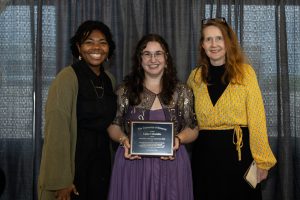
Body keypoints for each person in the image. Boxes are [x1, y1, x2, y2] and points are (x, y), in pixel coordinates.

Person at [187, 17, 277, 200]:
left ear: (228, 43)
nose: (214, 44)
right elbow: (187, 118)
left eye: (219, 38)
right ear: (202, 45)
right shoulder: (195, 77)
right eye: (208, 39)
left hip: (238, 155)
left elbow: (257, 118)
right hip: (204, 157)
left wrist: (262, 160)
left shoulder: (245, 73)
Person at [107, 33, 198, 200]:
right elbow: (114, 125)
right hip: (133, 164)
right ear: (140, 60)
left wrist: (178, 139)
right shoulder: (124, 91)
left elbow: (192, 128)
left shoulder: (182, 92)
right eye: (147, 54)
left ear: (166, 58)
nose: (152, 59)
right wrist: (123, 140)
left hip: (172, 165)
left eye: (158, 53)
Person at [38, 20, 117, 200]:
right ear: (78, 48)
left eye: (102, 42)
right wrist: (61, 180)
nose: (96, 47)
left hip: (101, 163)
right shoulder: (67, 78)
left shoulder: (109, 80)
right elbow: (56, 130)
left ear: (108, 49)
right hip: (73, 165)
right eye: (89, 42)